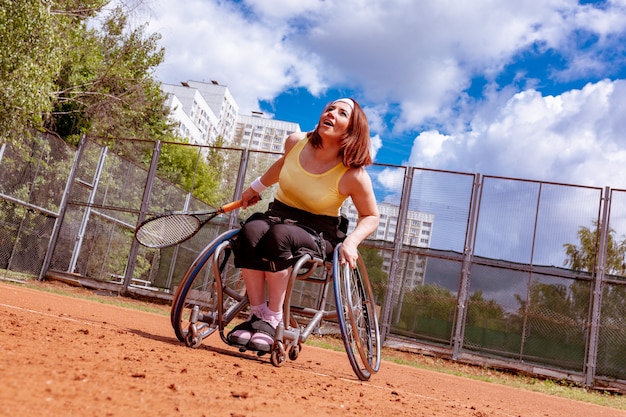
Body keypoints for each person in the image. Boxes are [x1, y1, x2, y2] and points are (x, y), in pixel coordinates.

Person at [228, 98, 380, 352]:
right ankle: (257, 315)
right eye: (329, 108)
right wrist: (255, 189)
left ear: (352, 130)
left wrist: (352, 242)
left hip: (318, 230)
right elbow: (283, 164)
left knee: (280, 236)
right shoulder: (296, 142)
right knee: (251, 231)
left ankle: (274, 317)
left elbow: (371, 216)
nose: (331, 113)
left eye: (342, 113)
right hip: (278, 213)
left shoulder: (354, 174)